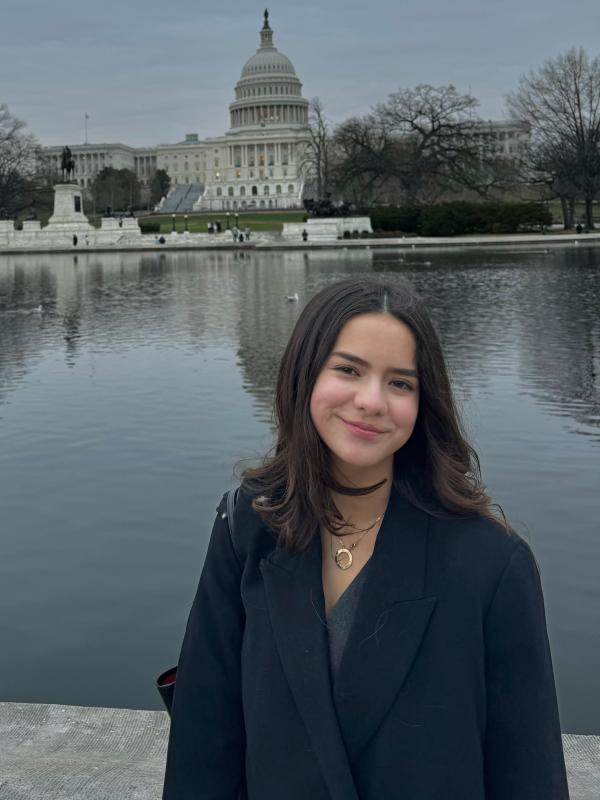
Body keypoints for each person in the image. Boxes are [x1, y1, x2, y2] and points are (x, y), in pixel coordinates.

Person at [162, 278, 569, 800]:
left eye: (400, 383)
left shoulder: (491, 563)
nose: (371, 401)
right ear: (305, 374)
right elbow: (205, 737)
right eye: (349, 370)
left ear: (426, 402)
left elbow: (528, 774)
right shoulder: (247, 526)